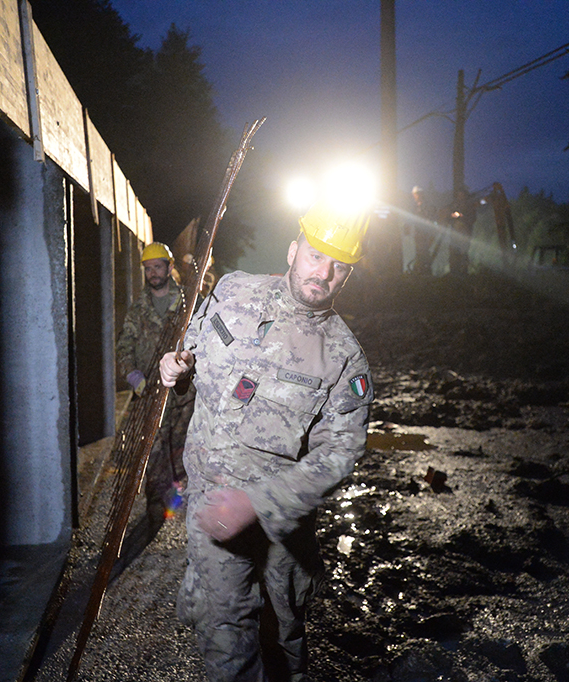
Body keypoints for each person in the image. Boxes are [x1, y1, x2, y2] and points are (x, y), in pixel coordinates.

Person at [159, 200, 374, 682]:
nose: (325, 272)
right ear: (294, 250)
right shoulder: (233, 291)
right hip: (211, 509)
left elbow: (340, 454)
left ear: (348, 278)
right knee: (227, 637)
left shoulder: (344, 360)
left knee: (282, 640)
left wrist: (256, 503)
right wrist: (176, 366)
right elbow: (191, 346)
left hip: (280, 531)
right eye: (317, 255)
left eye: (340, 266)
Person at [116, 242, 194, 523]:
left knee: (184, 448)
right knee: (152, 450)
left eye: (157, 266)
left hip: (185, 396)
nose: (152, 273)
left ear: (170, 267)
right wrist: (134, 377)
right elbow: (123, 348)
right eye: (148, 269)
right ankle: (155, 508)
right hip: (149, 394)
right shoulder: (138, 309)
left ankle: (182, 503)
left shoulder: (188, 303)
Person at [445, 188, 478, 276]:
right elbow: (447, 217)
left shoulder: (469, 207)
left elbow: (472, 219)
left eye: (462, 195)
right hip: (455, 234)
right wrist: (452, 216)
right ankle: (454, 271)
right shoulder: (454, 206)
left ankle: (463, 271)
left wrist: (462, 216)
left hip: (465, 234)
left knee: (463, 253)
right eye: (459, 195)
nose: (460, 197)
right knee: (453, 252)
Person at [487, 182, 517, 269]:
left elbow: (505, 206)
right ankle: (505, 262)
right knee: (503, 242)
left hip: (502, 224)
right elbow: (483, 201)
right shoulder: (494, 198)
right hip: (499, 224)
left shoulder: (501, 198)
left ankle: (506, 262)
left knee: (504, 242)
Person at [410, 185, 436, 275]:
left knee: (424, 250)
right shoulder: (414, 206)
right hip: (417, 232)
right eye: (415, 194)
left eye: (417, 194)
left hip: (425, 233)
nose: (416, 196)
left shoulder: (427, 206)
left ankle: (426, 269)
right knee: (419, 250)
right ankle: (420, 269)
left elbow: (431, 217)